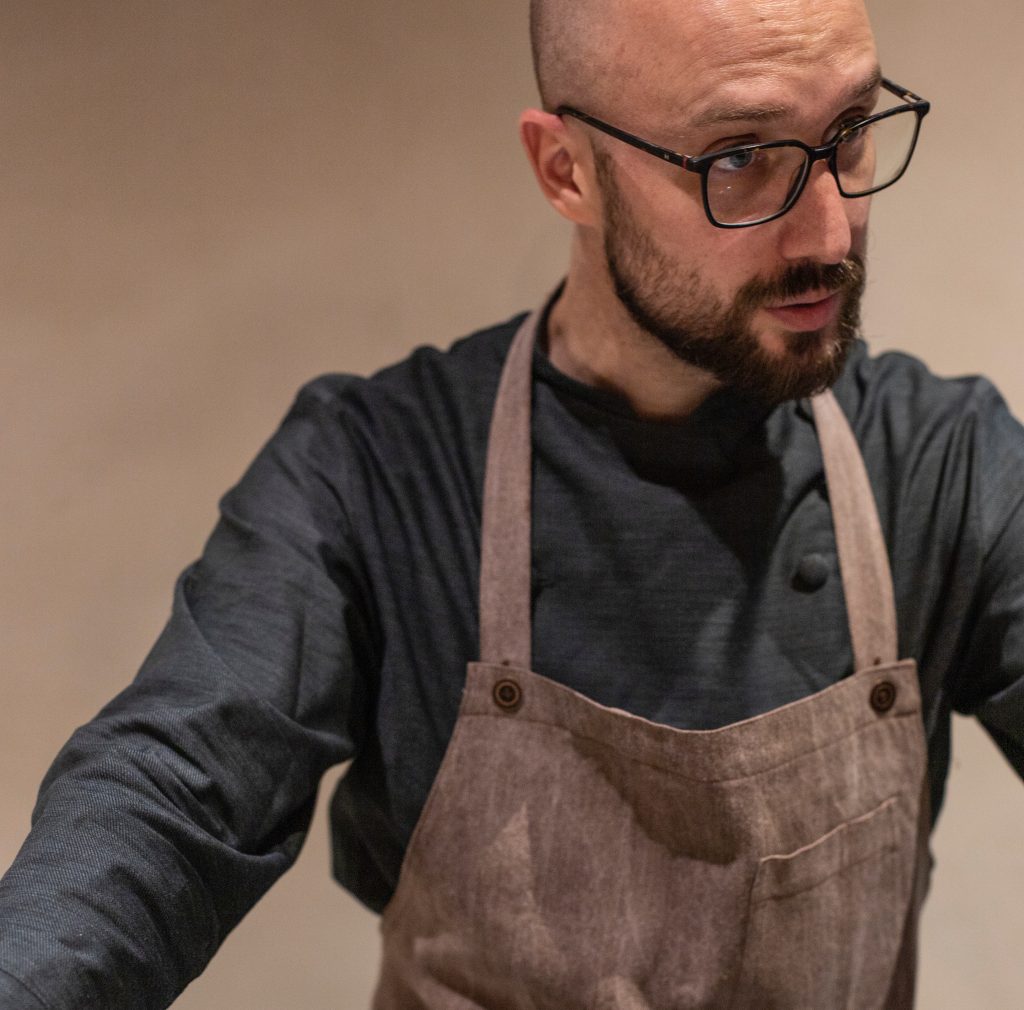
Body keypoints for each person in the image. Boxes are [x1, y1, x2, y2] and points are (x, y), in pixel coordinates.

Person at [1, 0, 1022, 1006]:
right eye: (738, 158)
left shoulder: (939, 466)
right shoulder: (377, 474)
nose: (829, 227)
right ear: (565, 169)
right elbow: (167, 791)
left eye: (847, 133)